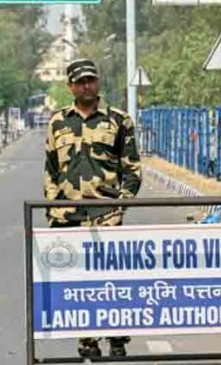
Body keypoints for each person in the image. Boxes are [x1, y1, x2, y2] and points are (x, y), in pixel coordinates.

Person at [43, 59, 142, 359]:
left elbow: (133, 170)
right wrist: (53, 208)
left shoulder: (118, 120)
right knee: (77, 283)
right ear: (70, 86)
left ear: (98, 83)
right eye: (81, 81)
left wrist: (119, 206)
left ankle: (116, 338)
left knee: (110, 280)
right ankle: (87, 341)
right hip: (68, 218)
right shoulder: (58, 122)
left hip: (105, 216)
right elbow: (50, 170)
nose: (87, 85)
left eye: (91, 80)